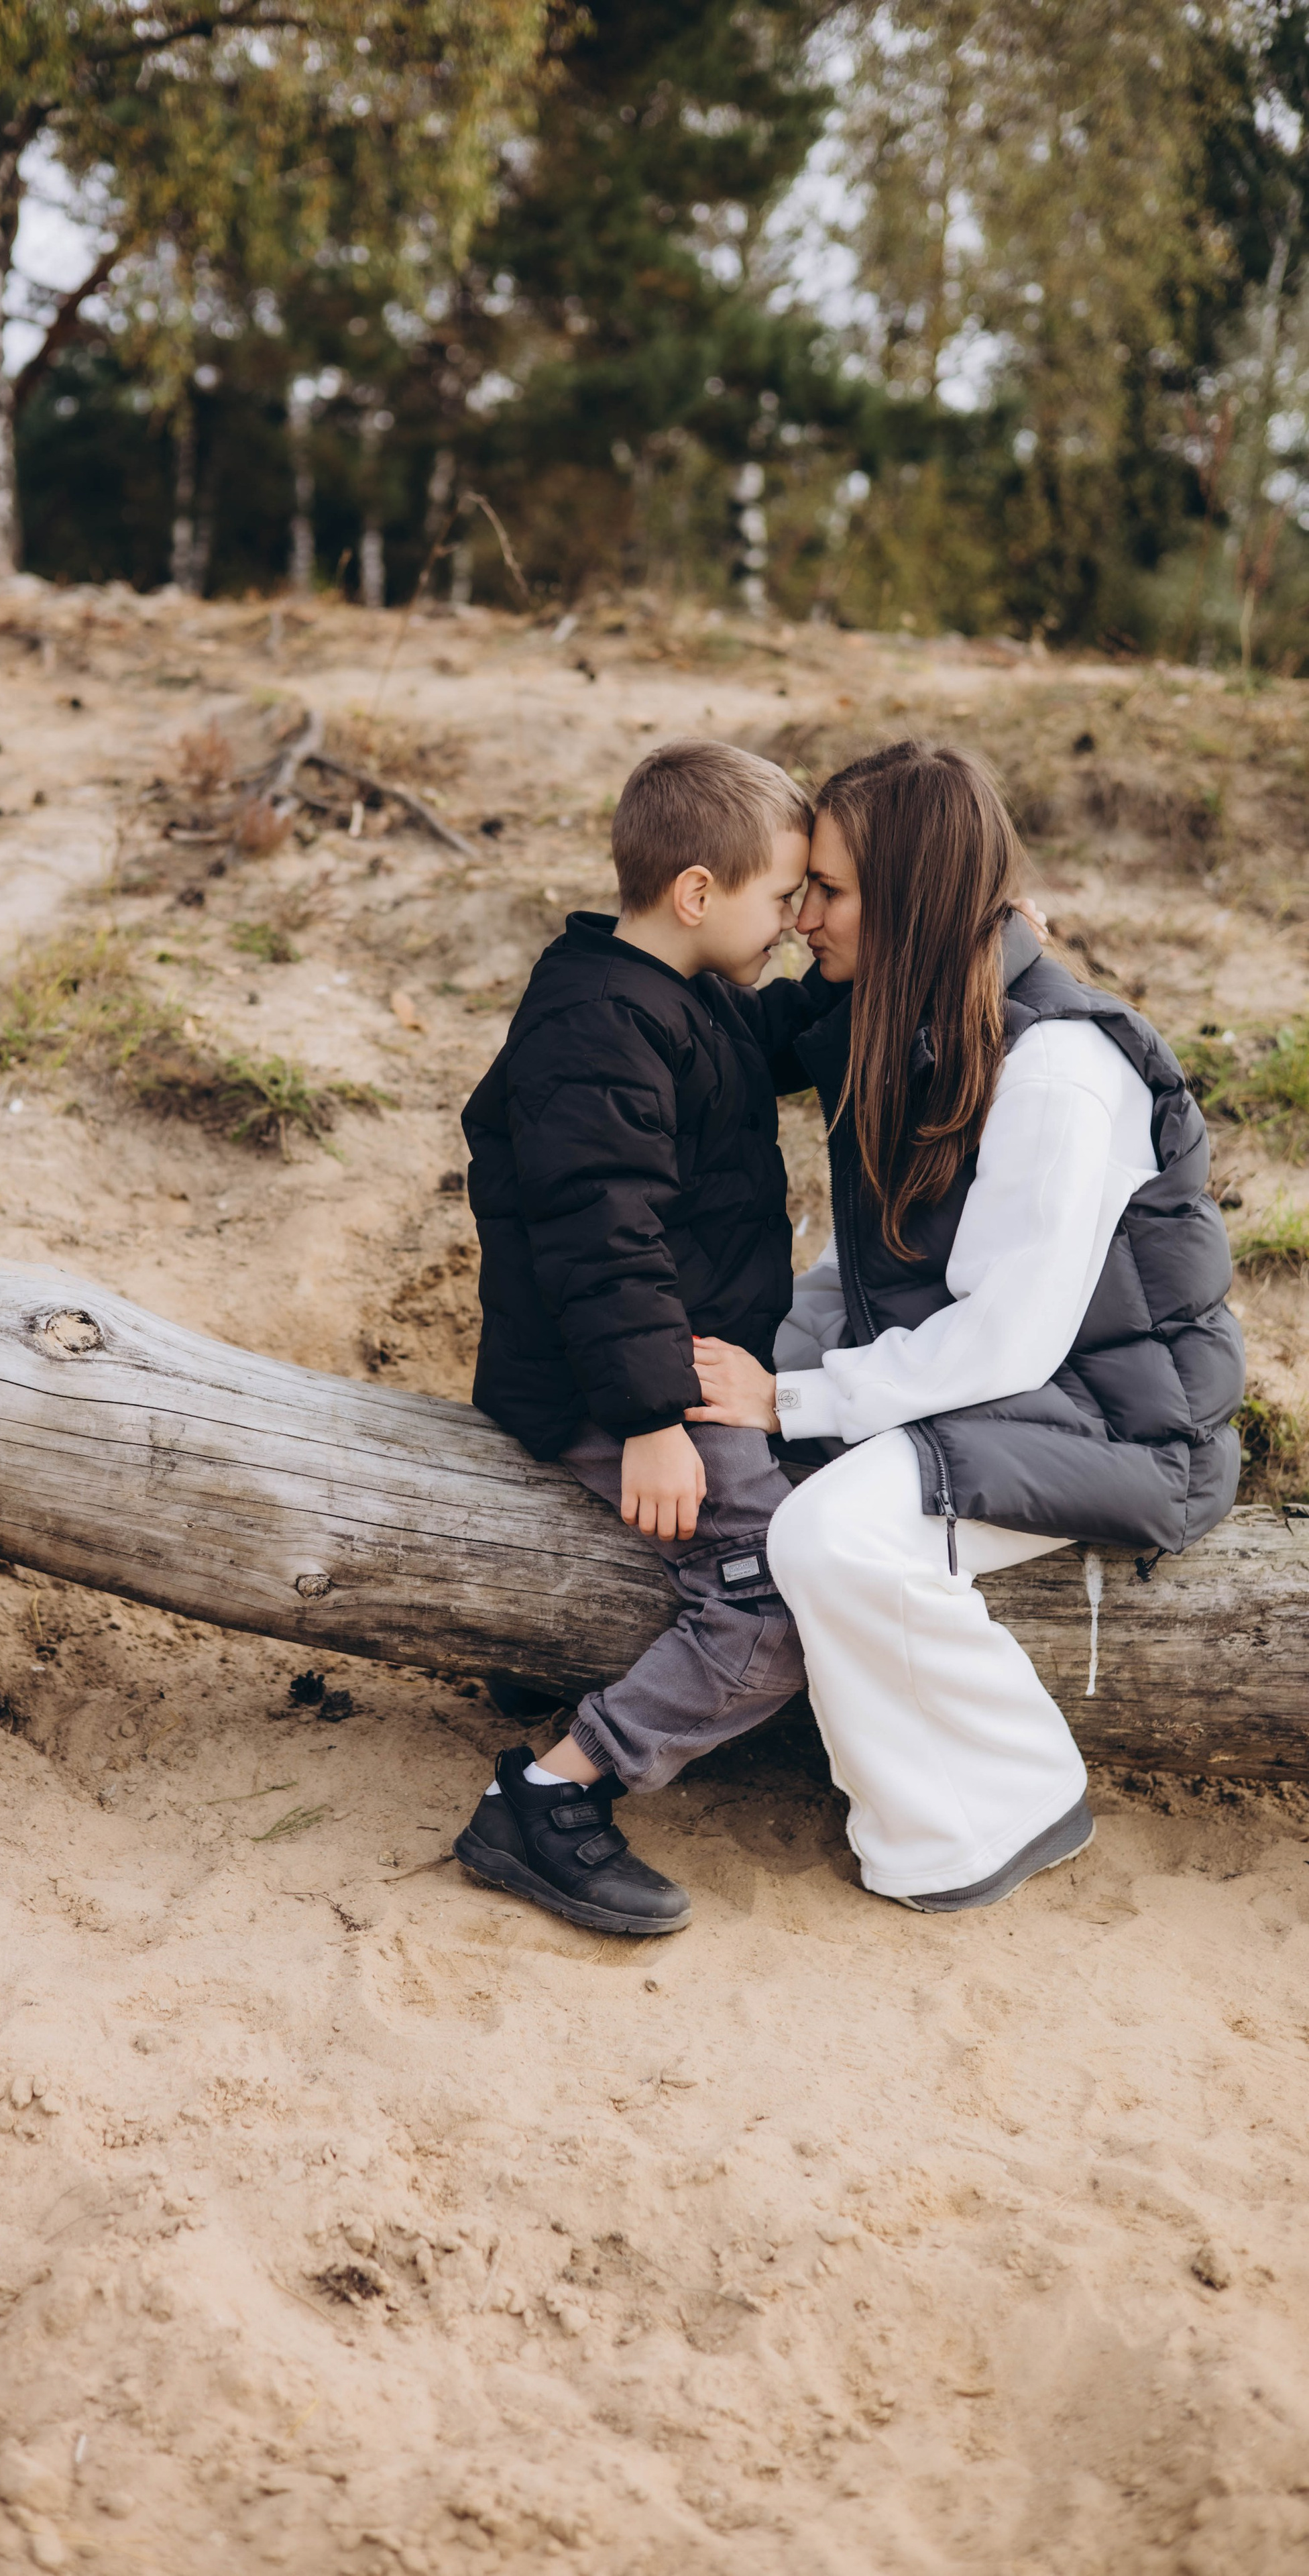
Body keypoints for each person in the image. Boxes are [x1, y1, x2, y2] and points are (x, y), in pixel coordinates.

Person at [689, 741, 1245, 1914]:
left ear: (916, 901)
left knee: (833, 1536)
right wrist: (767, 1376)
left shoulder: (1059, 1070)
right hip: (1015, 1386)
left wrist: (798, 1403)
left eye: (829, 892)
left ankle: (1007, 1804)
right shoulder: (913, 1025)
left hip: (1129, 1423)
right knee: (748, 1471)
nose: (804, 922)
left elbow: (1008, 1338)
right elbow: (869, 1267)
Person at [452, 737, 841, 1937]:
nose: (796, 920)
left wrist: (919, 948)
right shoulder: (594, 1032)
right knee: (782, 1589)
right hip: (606, 1385)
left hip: (683, 1360)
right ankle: (552, 1791)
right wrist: (649, 1418)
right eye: (787, 898)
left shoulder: (683, 994)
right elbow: (596, 1234)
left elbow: (775, 1036)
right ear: (698, 894)